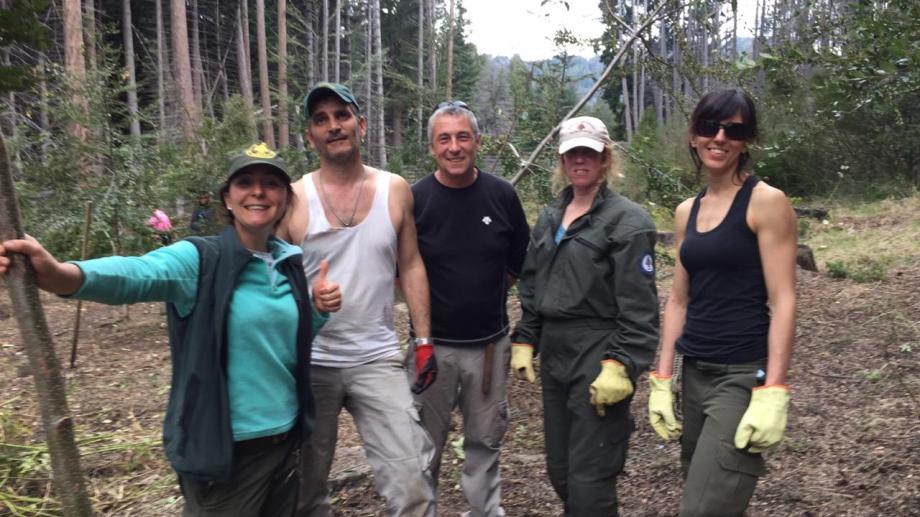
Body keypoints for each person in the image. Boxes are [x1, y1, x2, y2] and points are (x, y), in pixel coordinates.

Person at [0, 142, 343, 517]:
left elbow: (285, 345)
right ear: (227, 199)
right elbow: (135, 274)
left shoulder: (288, 262)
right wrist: (61, 274)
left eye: (271, 184)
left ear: (285, 199)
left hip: (287, 443)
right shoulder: (200, 259)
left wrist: (316, 311)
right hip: (226, 454)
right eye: (245, 182)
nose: (258, 192)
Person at [276, 82, 436, 517]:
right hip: (311, 360)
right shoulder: (293, 198)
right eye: (321, 119)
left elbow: (412, 265)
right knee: (302, 488)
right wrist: (306, 297)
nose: (333, 126)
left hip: (377, 357)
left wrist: (423, 341)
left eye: (342, 115)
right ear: (310, 135)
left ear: (361, 125)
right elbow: (271, 281)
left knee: (411, 479)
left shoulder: (394, 189)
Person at [647, 89, 796, 517]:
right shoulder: (686, 212)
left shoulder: (766, 202)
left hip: (740, 375)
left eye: (734, 130)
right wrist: (662, 378)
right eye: (709, 127)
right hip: (694, 373)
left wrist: (774, 389)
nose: (719, 137)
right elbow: (679, 300)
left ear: (747, 140)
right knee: (711, 495)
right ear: (693, 135)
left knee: (703, 508)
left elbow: (783, 300)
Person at [510, 116, 660, 516]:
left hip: (598, 351)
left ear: (605, 158)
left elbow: (640, 309)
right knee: (560, 470)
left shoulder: (628, 222)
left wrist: (621, 364)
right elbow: (533, 282)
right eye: (572, 153)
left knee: (590, 478)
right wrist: (526, 337)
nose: (580, 160)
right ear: (561, 159)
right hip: (556, 353)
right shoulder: (550, 216)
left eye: (589, 153)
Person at [410, 100, 530, 517]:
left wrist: (482, 292)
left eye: (463, 137)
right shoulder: (416, 199)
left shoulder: (502, 195)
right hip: (431, 347)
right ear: (432, 147)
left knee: (484, 440)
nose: (454, 147)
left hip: (488, 347)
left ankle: (484, 511)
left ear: (477, 141)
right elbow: (401, 268)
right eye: (444, 138)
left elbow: (518, 260)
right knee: (423, 443)